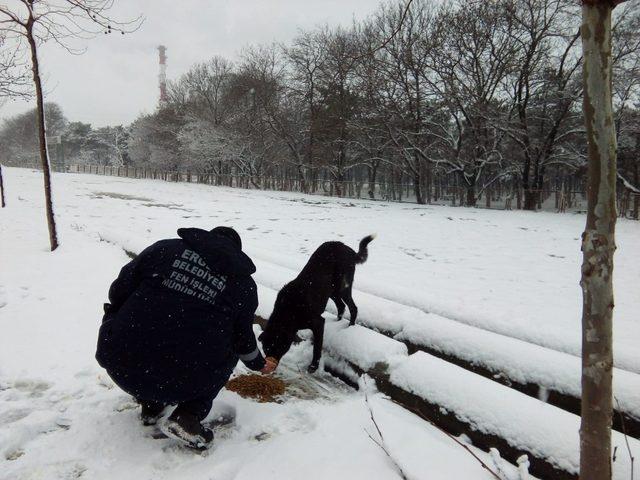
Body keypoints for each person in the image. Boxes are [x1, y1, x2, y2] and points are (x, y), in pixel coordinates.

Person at [96, 226, 277, 449]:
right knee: (229, 346)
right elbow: (244, 342)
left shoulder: (164, 250)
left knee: (127, 315)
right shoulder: (243, 286)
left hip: (119, 363)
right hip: (183, 382)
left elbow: (119, 290)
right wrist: (259, 364)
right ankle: (188, 416)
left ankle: (151, 405)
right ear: (235, 253)